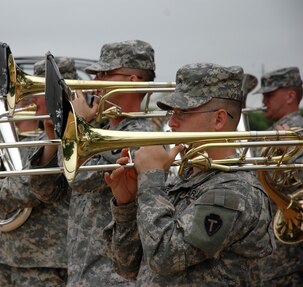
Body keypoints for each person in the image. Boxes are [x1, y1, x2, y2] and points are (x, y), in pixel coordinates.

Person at [103, 63, 275, 285]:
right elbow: (126, 265)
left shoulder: (235, 192)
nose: (171, 123)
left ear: (219, 119)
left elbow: (164, 257)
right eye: (172, 112)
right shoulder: (183, 180)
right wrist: (126, 205)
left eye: (183, 112)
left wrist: (152, 180)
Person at [29, 39, 158, 286]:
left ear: (132, 81)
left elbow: (81, 178)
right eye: (96, 73)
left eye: (105, 74)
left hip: (113, 277)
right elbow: (46, 191)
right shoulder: (100, 130)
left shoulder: (139, 136)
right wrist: (51, 139)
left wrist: (77, 125)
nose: (94, 81)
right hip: (83, 271)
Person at [0, 57, 78, 287]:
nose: (32, 100)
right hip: (29, 257)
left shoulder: (60, 139)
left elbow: (25, 189)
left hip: (46, 259)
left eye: (41, 92)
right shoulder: (42, 138)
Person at [252, 66, 303, 286]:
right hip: (274, 250)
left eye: (270, 94)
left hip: (287, 252)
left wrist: (293, 156)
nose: (264, 100)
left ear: (291, 95)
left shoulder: (295, 131)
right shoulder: (275, 130)